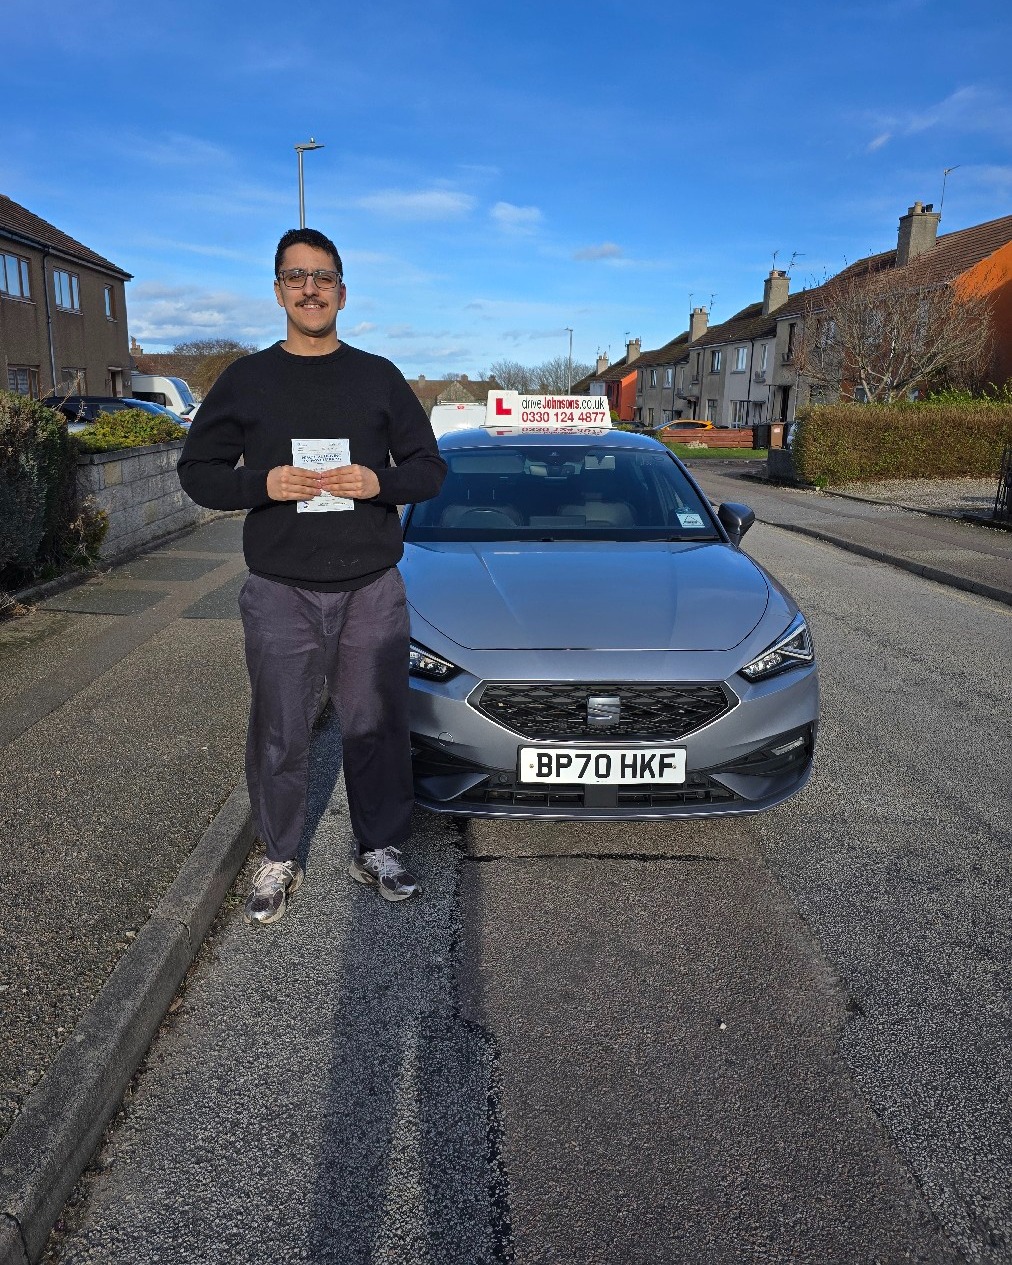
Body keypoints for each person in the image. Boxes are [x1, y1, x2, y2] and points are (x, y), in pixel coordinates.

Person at [177, 227, 446, 925]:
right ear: (277, 291)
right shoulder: (246, 379)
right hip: (279, 587)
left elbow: (430, 470)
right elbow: (198, 474)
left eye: (323, 276)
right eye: (296, 276)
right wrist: (264, 482)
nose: (310, 288)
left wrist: (375, 480)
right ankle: (280, 853)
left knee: (376, 724)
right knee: (280, 728)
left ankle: (379, 845)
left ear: (343, 292)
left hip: (370, 586)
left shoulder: (379, 376)